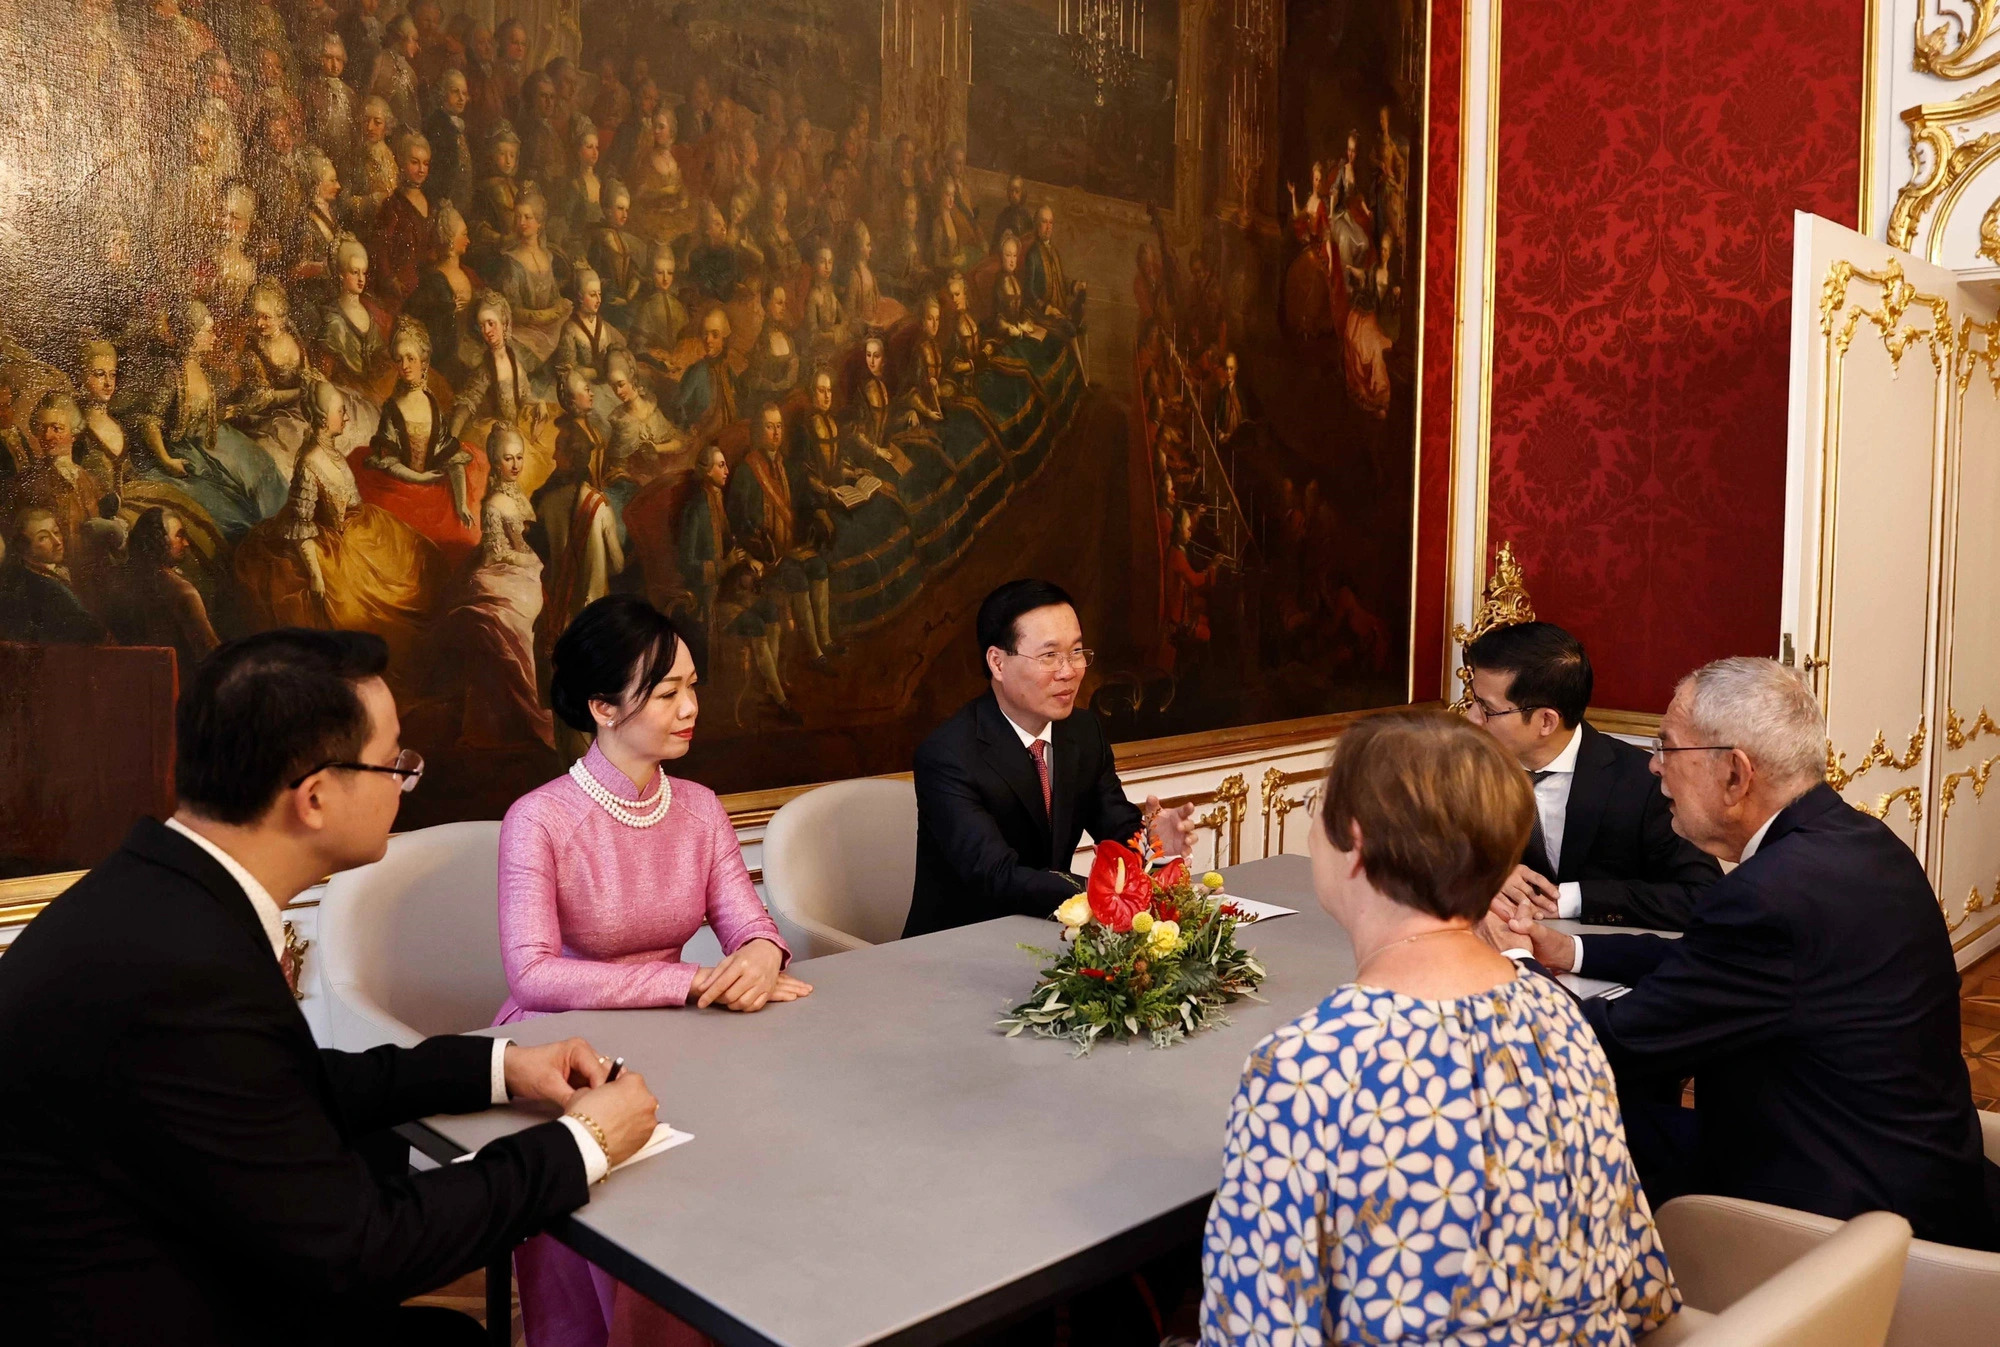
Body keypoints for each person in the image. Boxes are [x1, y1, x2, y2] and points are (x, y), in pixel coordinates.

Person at [0, 627, 660, 1345]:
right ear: (313, 797)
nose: (407, 779)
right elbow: (363, 1249)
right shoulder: (187, 964)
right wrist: (585, 1142)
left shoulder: (161, 890)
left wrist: (501, 1066)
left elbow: (275, 1084)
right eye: (392, 763)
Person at [1200, 710, 1681, 1344]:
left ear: (1355, 842)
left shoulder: (1308, 1067)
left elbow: (1258, 1334)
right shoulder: (1558, 1016)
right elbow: (1641, 1290)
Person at [1492, 657, 2000, 1248]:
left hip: (1839, 1211)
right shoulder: (1863, 843)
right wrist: (1569, 951)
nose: (1654, 767)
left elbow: (1614, 1043)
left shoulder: (1768, 898)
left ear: (1735, 775)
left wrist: (1513, 963)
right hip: (1914, 1163)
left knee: (1566, 1126)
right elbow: (1717, 966)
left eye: (1667, 748)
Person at [497, 594, 811, 1347]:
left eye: (692, 686)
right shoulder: (537, 818)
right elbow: (534, 975)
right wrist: (693, 981)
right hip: (560, 1054)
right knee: (656, 1229)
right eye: (667, 691)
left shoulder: (699, 807)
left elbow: (749, 925)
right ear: (603, 706)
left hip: (682, 1039)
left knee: (766, 1167)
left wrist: (763, 954)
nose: (690, 706)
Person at [903, 579, 1197, 937]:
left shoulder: (1083, 732)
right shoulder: (948, 755)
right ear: (997, 662)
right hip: (961, 945)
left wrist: (1155, 845)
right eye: (1049, 656)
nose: (1069, 671)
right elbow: (997, 875)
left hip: (1053, 936)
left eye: (1076, 652)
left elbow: (1117, 827)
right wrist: (1104, 895)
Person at [1465, 622, 1720, 930]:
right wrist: (1487, 874)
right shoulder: (1465, 767)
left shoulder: (1645, 784)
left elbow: (1703, 896)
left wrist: (1572, 898)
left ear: (1546, 721)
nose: (1470, 718)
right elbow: (1416, 852)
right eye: (1474, 700)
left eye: (1487, 709)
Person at [0, 508, 106, 644]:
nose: (57, 542)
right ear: (24, 547)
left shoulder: (62, 572)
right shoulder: (36, 586)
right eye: (43, 537)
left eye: (56, 532)